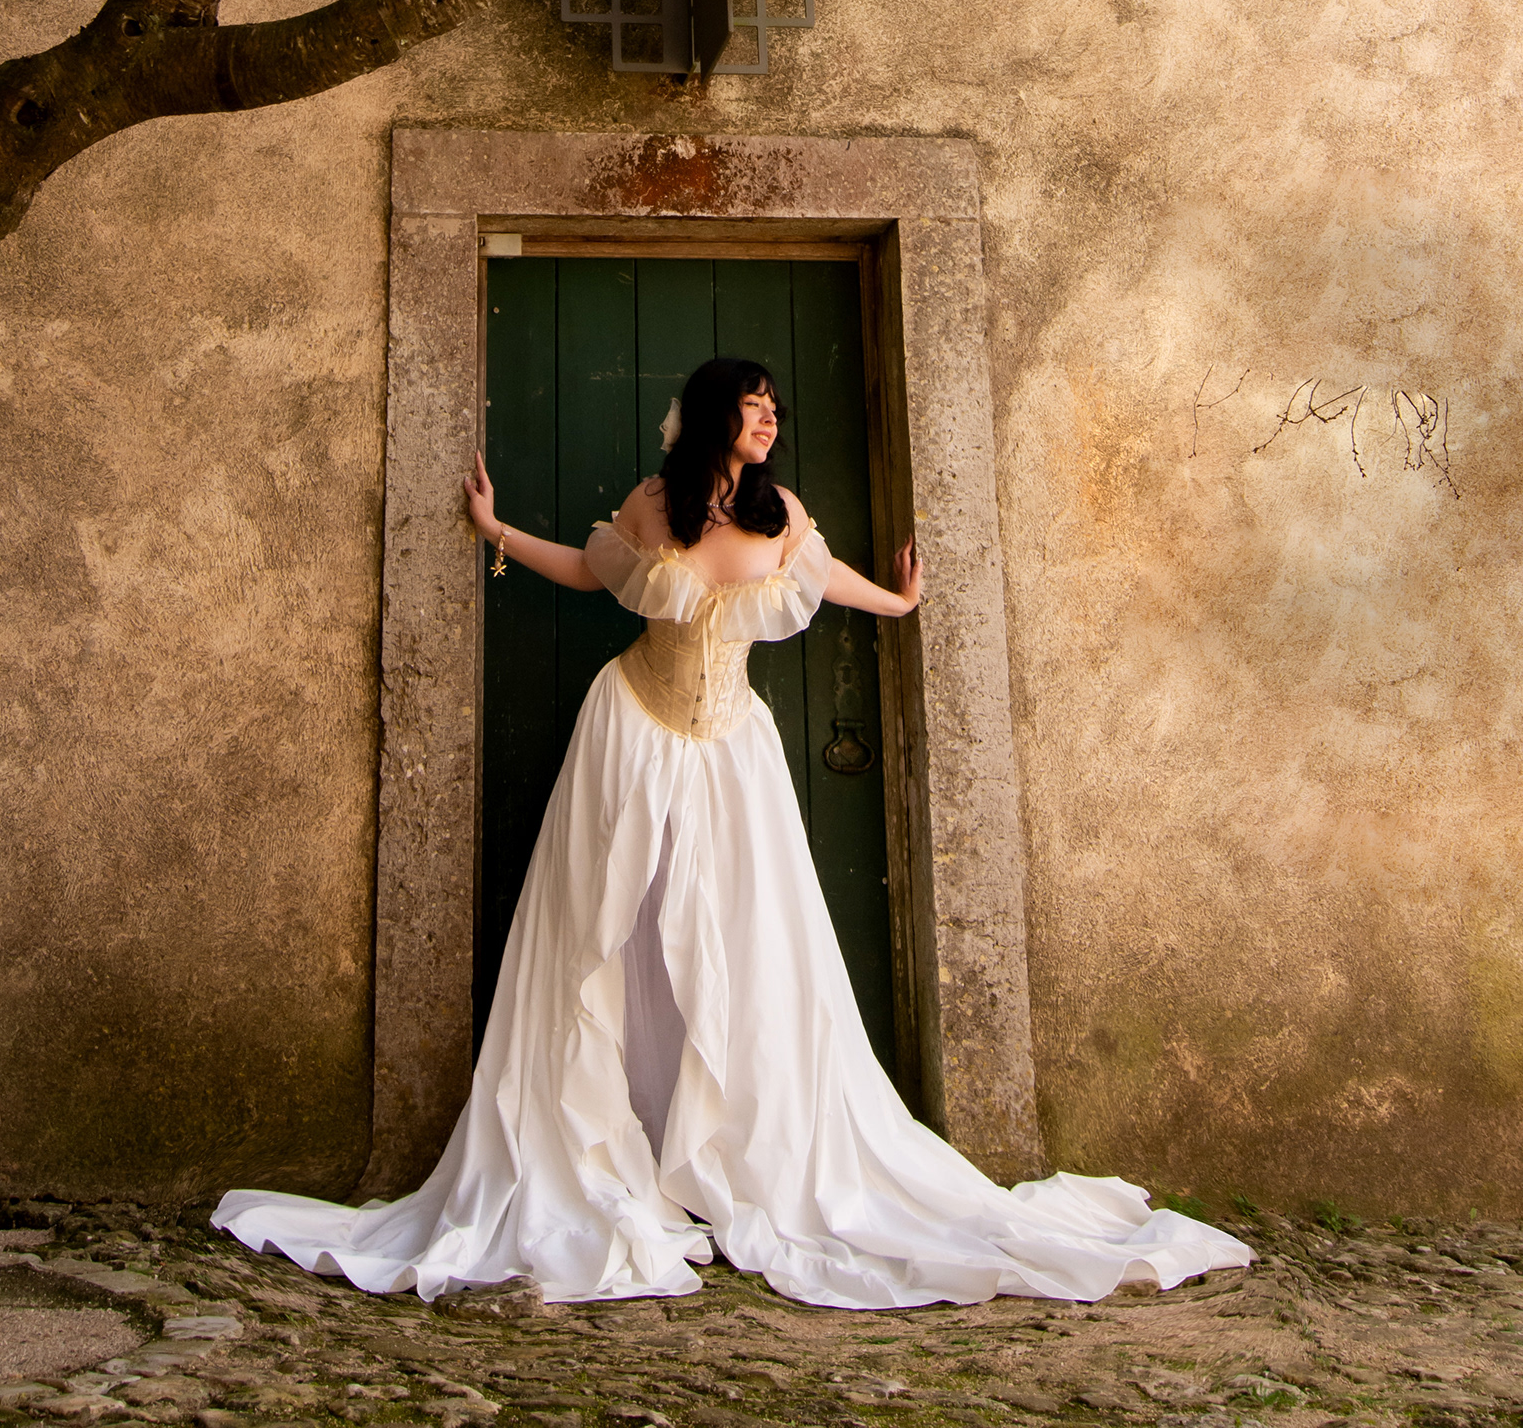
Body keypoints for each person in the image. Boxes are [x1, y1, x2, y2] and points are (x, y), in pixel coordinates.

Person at [213, 357, 1249, 1309]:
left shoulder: (780, 512)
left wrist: (898, 603)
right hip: (631, 731)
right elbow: (590, 572)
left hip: (731, 750)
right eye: (755, 407)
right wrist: (496, 533)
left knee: (746, 943)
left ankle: (733, 1153)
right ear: (714, 414)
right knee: (600, 936)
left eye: (775, 411)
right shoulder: (649, 504)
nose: (770, 422)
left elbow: (820, 576)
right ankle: (599, 1150)